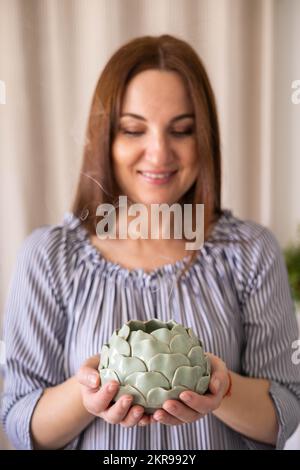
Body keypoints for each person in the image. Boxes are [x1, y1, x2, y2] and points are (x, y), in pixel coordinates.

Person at [1, 34, 300, 451]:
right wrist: (87, 396)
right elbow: (18, 420)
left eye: (181, 130)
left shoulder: (251, 251)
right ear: (105, 137)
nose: (159, 153)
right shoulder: (47, 257)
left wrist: (221, 390)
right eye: (133, 129)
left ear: (205, 139)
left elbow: (286, 409)